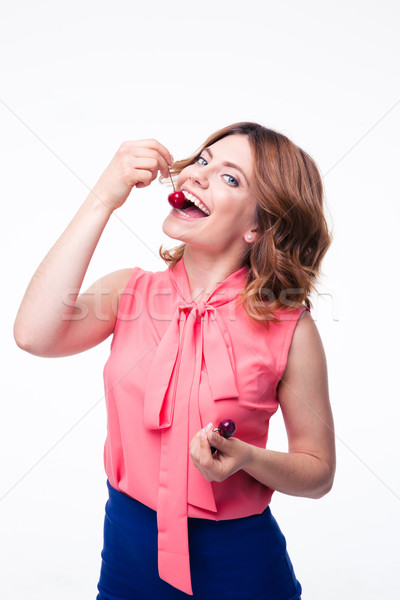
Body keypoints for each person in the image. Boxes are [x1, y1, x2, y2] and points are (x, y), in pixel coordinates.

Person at [14, 122, 336, 600]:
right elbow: (32, 335)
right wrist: (105, 194)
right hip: (128, 556)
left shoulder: (291, 327)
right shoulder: (129, 291)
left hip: (242, 566)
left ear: (258, 227)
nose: (199, 176)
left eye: (231, 178)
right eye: (203, 161)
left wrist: (246, 459)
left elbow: (318, 472)